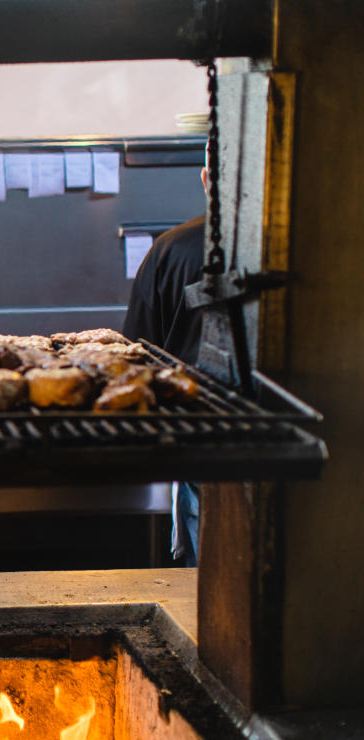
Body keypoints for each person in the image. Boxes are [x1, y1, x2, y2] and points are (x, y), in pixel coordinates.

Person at [122, 159, 209, 566]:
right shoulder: (295, 250)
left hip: (196, 442)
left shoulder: (171, 249)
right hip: (286, 436)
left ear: (207, 179)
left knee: (205, 578)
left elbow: (134, 356)